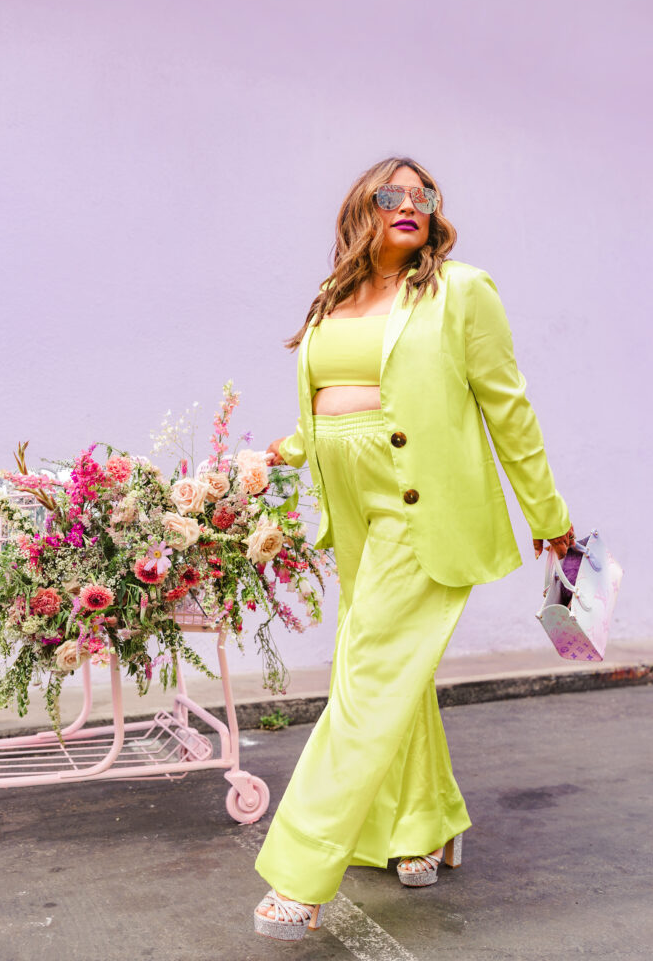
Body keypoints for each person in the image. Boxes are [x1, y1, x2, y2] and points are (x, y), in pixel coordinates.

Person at [253, 156, 575, 941]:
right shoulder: (333, 298)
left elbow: (506, 405)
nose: (409, 202)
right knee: (393, 670)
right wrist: (274, 458)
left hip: (418, 504)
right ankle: (424, 823)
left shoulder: (460, 290)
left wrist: (545, 510)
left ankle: (299, 872)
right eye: (389, 193)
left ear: (434, 211)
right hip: (350, 507)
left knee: (366, 673)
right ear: (359, 211)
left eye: (422, 193)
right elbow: (331, 404)